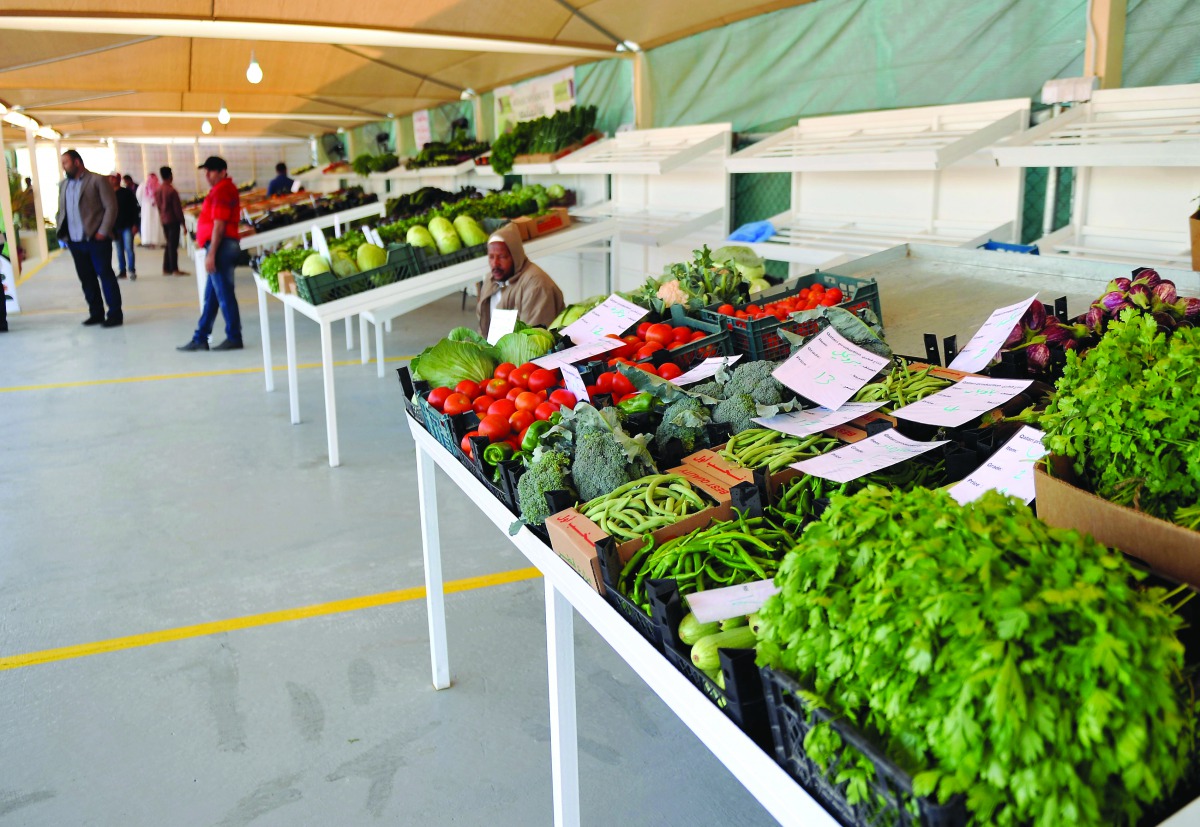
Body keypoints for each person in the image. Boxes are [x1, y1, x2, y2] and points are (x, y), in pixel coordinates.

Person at [178, 156, 242, 351]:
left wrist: (211, 253)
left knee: (224, 295)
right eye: (206, 171)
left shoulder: (222, 190)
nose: (207, 175)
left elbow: (219, 226)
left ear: (223, 171)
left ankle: (234, 337)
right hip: (220, 246)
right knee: (212, 297)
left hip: (221, 247)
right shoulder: (220, 190)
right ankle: (200, 337)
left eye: (211, 170)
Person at [56, 150, 122, 327]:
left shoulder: (97, 180)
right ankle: (96, 313)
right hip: (75, 241)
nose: (63, 166)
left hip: (96, 239)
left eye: (66, 162)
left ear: (77, 162)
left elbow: (111, 207)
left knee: (105, 274)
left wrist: (103, 231)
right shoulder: (64, 185)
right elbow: (62, 211)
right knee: (86, 278)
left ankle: (115, 314)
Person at [476, 223, 564, 335]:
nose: (495, 264)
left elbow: (533, 340)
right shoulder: (491, 279)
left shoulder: (536, 286)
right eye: (491, 257)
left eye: (502, 257)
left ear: (515, 256)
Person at [155, 166, 186, 276]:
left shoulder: (158, 190)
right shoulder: (172, 191)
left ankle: (166, 268)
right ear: (170, 176)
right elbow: (177, 209)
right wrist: (183, 223)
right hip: (173, 220)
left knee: (169, 244)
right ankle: (174, 269)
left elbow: (158, 206)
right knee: (173, 245)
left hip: (164, 220)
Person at [109, 173, 138, 280]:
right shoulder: (108, 194)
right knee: (119, 250)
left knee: (129, 248)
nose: (112, 180)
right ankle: (122, 271)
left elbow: (135, 209)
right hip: (115, 227)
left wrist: (135, 224)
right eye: (111, 178)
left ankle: (131, 270)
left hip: (127, 226)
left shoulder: (127, 193)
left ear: (118, 179)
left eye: (114, 178)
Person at [139, 172, 165, 249]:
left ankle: (149, 242)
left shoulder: (143, 185)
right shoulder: (159, 185)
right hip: (156, 209)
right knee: (157, 225)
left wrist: (143, 203)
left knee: (148, 225)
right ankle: (158, 241)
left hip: (146, 209)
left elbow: (138, 195)